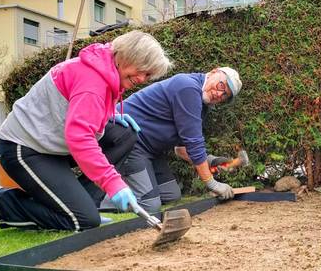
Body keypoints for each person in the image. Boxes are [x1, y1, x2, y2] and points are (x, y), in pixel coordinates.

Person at [0, 31, 172, 236]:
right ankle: (0, 203)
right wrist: (113, 183)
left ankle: (85, 205)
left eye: (147, 75)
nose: (141, 78)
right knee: (82, 221)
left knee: (123, 134)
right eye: (142, 70)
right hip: (25, 148)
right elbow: (80, 138)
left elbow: (76, 112)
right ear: (126, 56)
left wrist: (106, 116)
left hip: (52, 143)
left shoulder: (106, 69)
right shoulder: (92, 82)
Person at [96, 67, 243, 213]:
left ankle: (131, 191)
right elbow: (194, 143)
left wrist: (211, 161)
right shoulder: (188, 88)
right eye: (221, 85)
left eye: (225, 95)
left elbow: (181, 149)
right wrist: (212, 183)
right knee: (150, 205)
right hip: (128, 142)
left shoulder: (202, 104)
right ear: (213, 72)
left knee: (171, 194)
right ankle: (97, 200)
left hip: (149, 151)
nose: (219, 94)